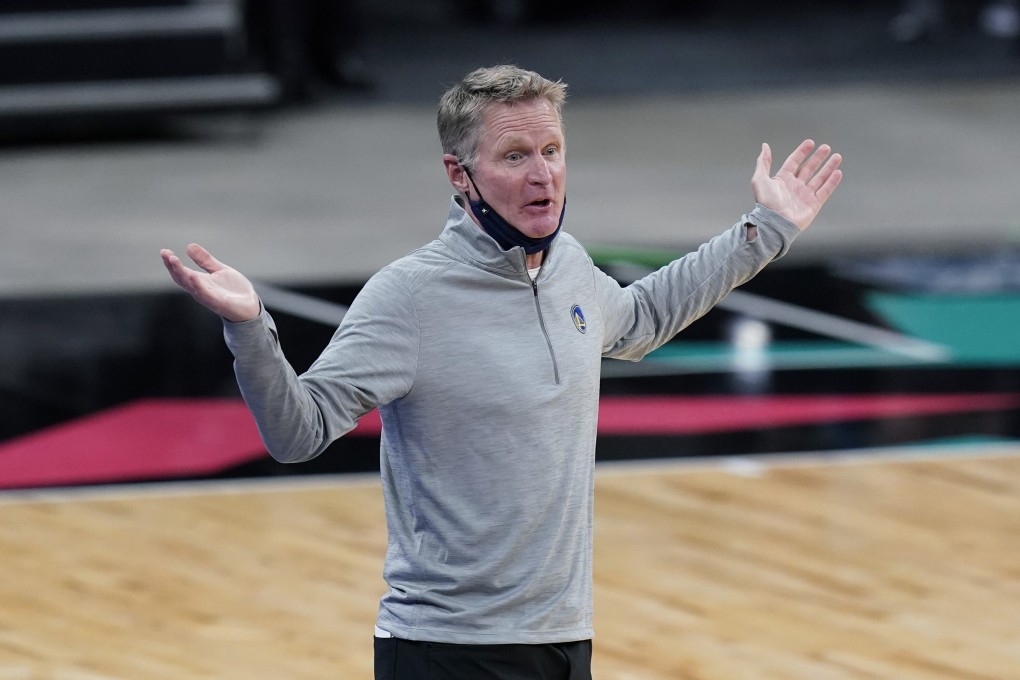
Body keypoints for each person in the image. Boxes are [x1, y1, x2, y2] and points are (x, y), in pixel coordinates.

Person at [161, 65, 842, 679]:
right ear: (460, 175)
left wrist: (765, 230)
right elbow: (297, 433)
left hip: (562, 637)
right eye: (515, 156)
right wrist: (250, 329)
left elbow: (641, 319)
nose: (542, 175)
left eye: (552, 151)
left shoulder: (569, 265)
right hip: (447, 651)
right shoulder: (408, 297)